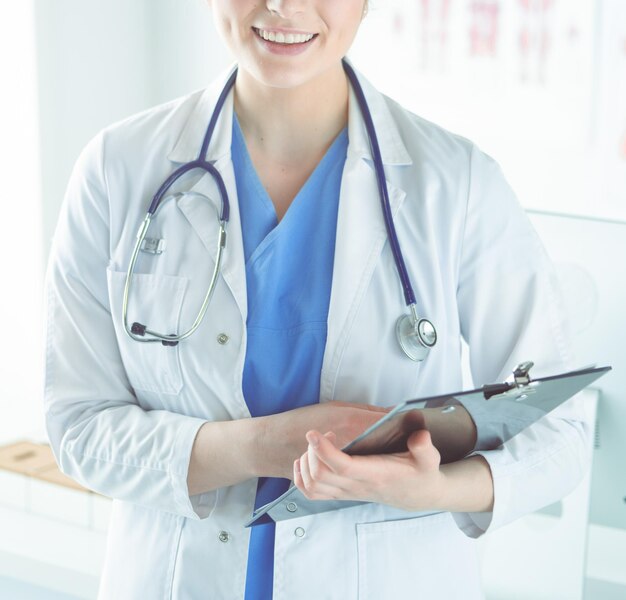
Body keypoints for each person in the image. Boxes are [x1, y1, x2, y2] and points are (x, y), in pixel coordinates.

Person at [43, 1, 589, 598]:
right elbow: (79, 426)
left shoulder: (457, 185)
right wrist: (261, 447)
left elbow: (557, 434)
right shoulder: (117, 168)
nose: (282, 5)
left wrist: (431, 489)